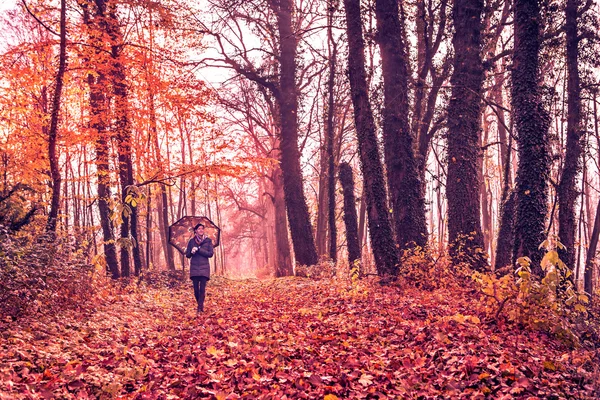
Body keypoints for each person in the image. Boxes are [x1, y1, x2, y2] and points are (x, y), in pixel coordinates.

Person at [185, 223, 214, 313]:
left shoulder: (208, 241)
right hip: (194, 268)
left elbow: (210, 254)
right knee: (196, 290)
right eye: (199, 229)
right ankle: (200, 305)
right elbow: (187, 255)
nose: (201, 230)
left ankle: (199, 308)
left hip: (204, 268)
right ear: (195, 231)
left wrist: (199, 249)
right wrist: (192, 252)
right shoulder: (191, 241)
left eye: (202, 228)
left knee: (202, 289)